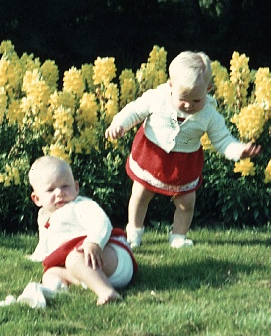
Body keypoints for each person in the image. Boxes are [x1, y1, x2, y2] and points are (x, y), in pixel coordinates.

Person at [104, 51, 262, 249]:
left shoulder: (209, 114)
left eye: (196, 100)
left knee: (186, 202)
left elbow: (222, 139)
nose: (189, 105)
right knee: (140, 193)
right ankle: (134, 232)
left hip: (184, 162)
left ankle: (178, 236)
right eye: (183, 99)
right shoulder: (157, 98)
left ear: (208, 89)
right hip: (152, 155)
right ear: (171, 86)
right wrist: (119, 125)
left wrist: (239, 151)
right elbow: (134, 111)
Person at [22, 155, 137, 306]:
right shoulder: (44, 216)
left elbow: (102, 222)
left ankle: (106, 291)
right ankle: (56, 290)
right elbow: (45, 242)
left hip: (113, 258)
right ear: (37, 199)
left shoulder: (80, 206)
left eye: (65, 186)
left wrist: (94, 242)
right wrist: (37, 256)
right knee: (51, 272)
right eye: (50, 190)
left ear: (76, 187)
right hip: (89, 267)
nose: (59, 193)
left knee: (73, 259)